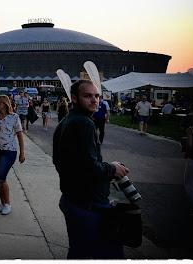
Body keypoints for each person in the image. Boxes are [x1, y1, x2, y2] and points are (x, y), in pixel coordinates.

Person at [53, 80, 130, 259]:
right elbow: (88, 167)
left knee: (79, 253)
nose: (95, 100)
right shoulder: (84, 123)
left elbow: (70, 161)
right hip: (89, 206)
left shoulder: (68, 120)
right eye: (88, 96)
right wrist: (112, 169)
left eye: (97, 96)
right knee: (111, 254)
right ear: (74, 98)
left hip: (72, 200)